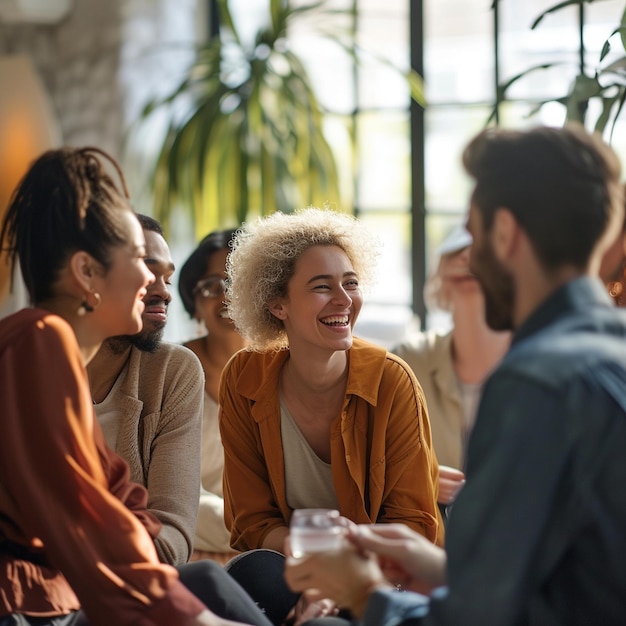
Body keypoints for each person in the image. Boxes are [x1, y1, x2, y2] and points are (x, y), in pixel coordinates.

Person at [284, 124, 626, 625]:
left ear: (505, 233)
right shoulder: (610, 351)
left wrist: (364, 593)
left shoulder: (537, 382)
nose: (474, 260)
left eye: (474, 231)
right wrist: (440, 565)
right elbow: (585, 573)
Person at [0, 146, 275, 626]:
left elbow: (119, 499)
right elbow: (85, 518)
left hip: (61, 599)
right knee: (207, 587)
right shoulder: (37, 343)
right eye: (140, 261)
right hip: (27, 608)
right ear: (87, 274)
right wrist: (194, 619)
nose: (157, 285)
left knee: (237, 577)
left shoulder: (49, 348)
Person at [217, 207, 443, 624]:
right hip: (287, 564)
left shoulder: (391, 381)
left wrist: (343, 581)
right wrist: (315, 569)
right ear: (277, 304)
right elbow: (250, 519)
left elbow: (414, 523)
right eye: (322, 287)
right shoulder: (244, 377)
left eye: (351, 283)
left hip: (376, 571)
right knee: (240, 577)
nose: (344, 300)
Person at [87, 213, 204, 566]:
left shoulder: (173, 370)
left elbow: (174, 537)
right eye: (148, 271)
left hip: (131, 581)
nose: (164, 292)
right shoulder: (23, 365)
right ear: (87, 274)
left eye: (167, 277)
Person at [392, 225, 510, 506]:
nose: (465, 257)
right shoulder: (407, 361)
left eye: (480, 250)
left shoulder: (545, 367)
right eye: (455, 251)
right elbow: (372, 464)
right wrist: (420, 479)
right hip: (428, 538)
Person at [178, 228, 245, 563]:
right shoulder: (168, 373)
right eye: (212, 286)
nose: (227, 296)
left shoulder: (292, 371)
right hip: (184, 551)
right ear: (194, 306)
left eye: (239, 281)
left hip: (270, 551)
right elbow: (172, 496)